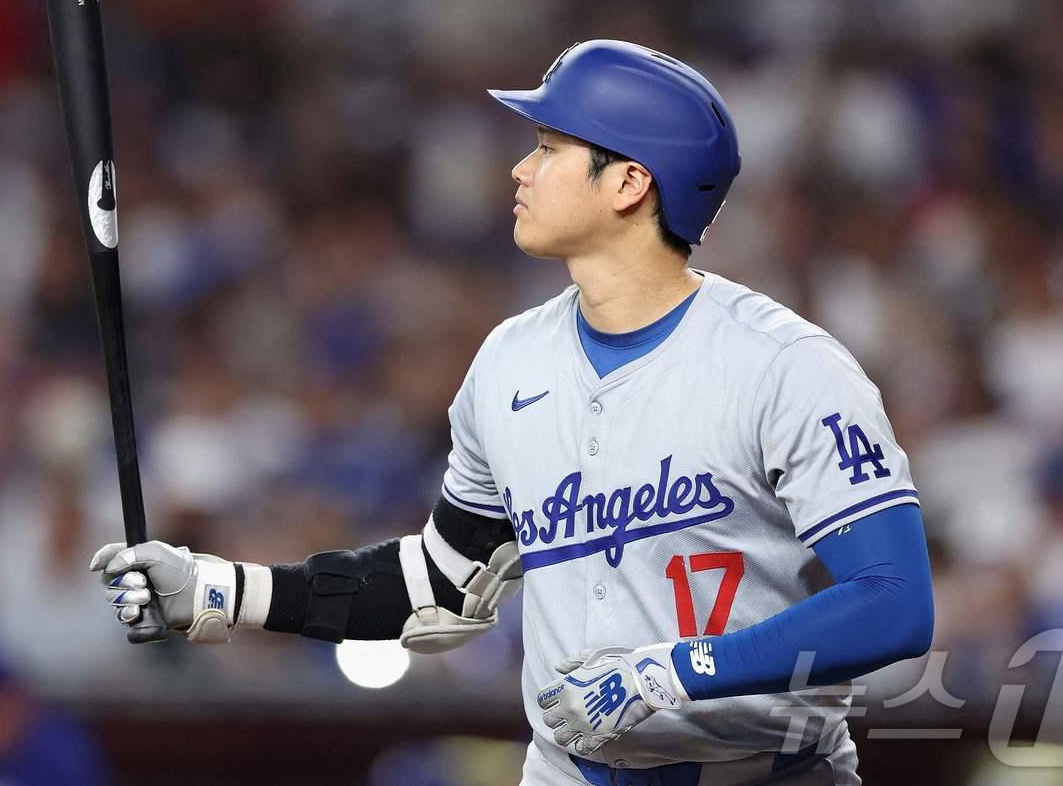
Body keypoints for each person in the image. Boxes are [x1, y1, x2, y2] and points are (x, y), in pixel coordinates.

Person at [91, 40, 934, 785]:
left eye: (548, 147)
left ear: (631, 182)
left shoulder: (784, 366)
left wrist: (672, 671)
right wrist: (217, 587)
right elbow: (438, 589)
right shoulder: (509, 362)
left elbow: (894, 601)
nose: (519, 171)